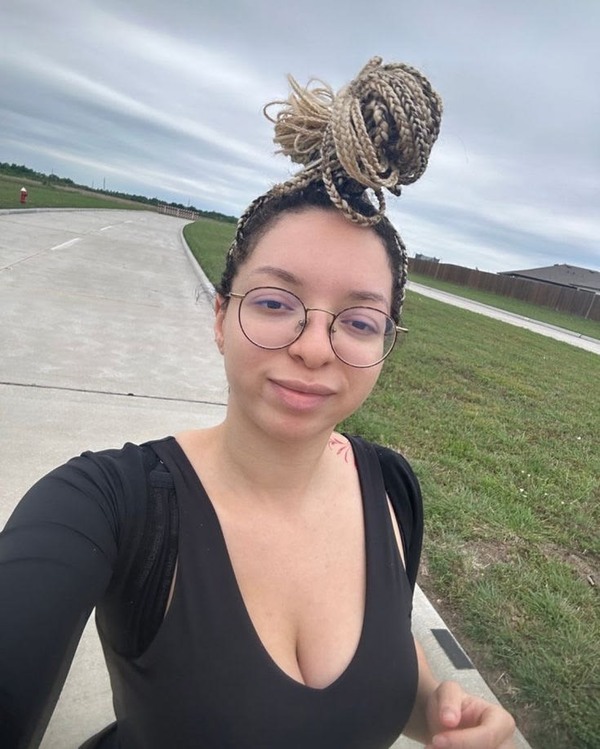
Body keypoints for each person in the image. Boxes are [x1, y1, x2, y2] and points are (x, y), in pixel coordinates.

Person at [0, 57, 516, 749]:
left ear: (386, 344)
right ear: (221, 317)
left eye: (359, 320)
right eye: (275, 303)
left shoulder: (391, 490)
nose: (314, 347)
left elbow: (390, 672)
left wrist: (440, 710)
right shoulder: (105, 504)